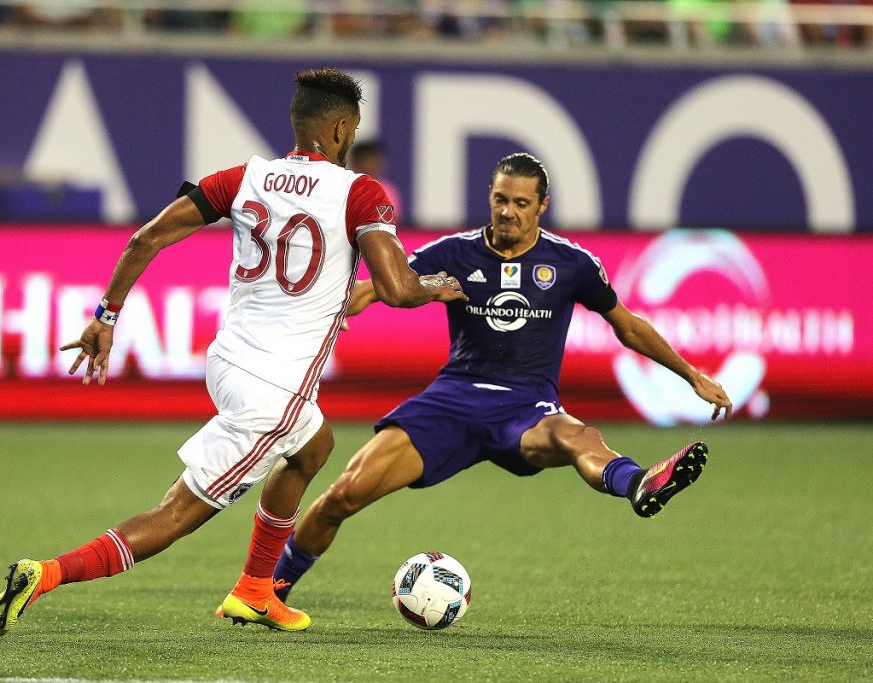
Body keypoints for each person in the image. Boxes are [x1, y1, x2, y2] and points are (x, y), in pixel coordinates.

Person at [0, 68, 467, 636]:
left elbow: (147, 238)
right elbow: (397, 289)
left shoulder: (246, 178)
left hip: (229, 361)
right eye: (352, 131)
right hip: (273, 391)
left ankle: (255, 591)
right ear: (340, 129)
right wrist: (438, 286)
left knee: (314, 446)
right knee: (177, 514)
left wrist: (105, 315)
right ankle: (45, 574)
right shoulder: (358, 192)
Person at [272, 152, 733, 602]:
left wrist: (691, 375)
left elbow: (628, 326)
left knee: (579, 437)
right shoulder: (454, 252)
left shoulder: (572, 263)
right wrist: (326, 314)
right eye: (500, 199)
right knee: (343, 496)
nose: (508, 212)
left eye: (521, 203)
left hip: (526, 407)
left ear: (542, 206)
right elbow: (375, 288)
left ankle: (638, 484)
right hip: (452, 401)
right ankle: (269, 588)